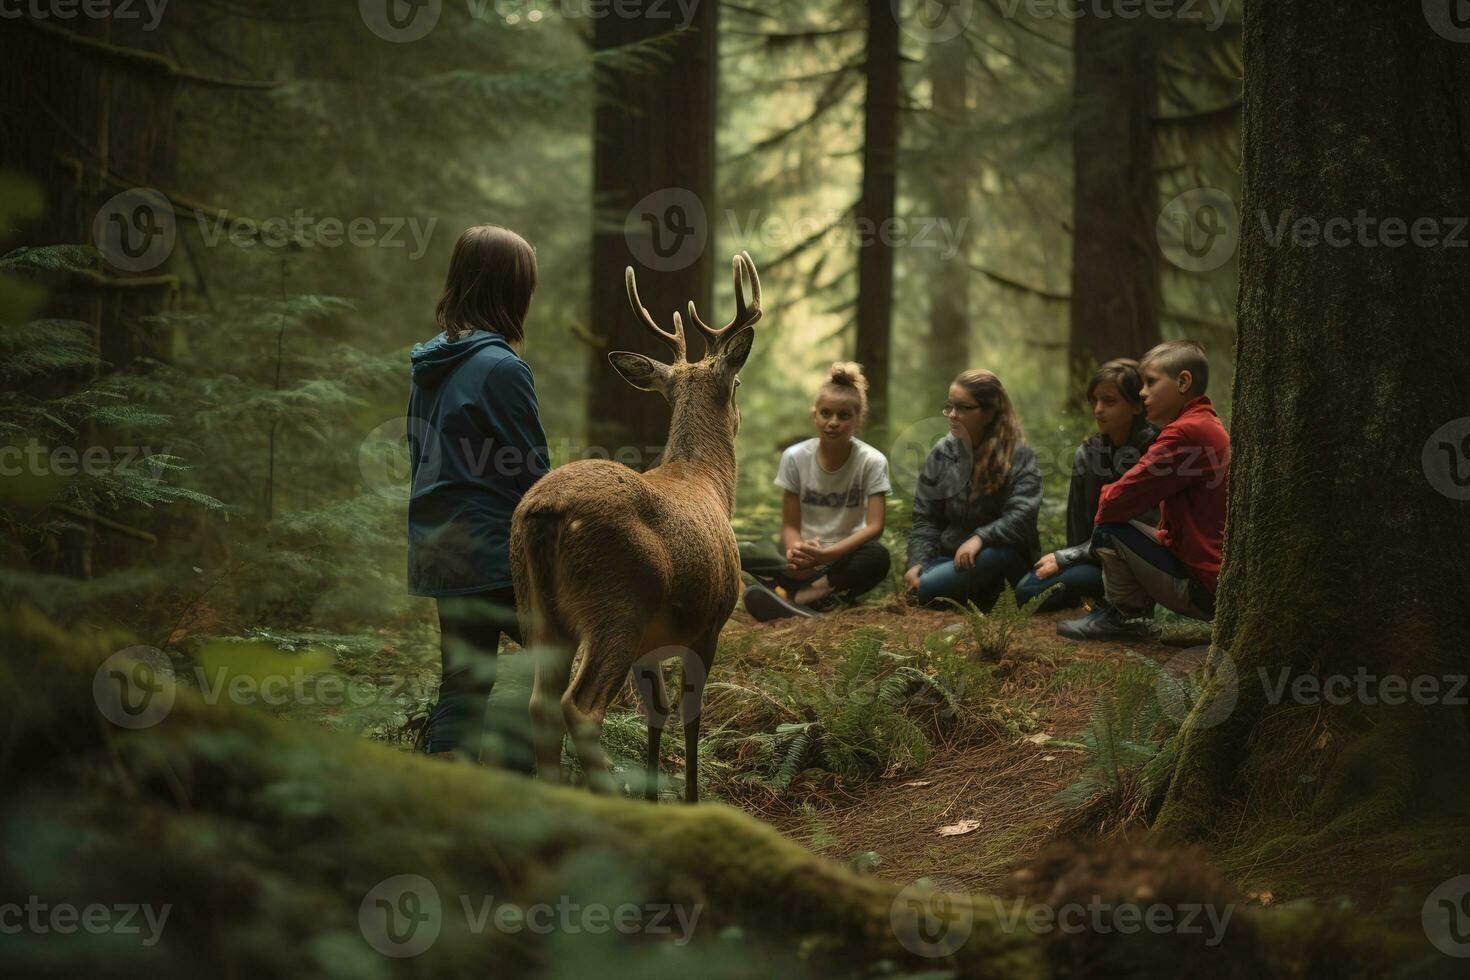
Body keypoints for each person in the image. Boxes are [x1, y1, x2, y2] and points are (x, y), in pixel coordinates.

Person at [406, 225, 549, 766]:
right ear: (510, 292)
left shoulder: (431, 365)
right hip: (496, 552)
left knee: (462, 686)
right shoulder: (503, 369)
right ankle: (533, 799)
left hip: (442, 549)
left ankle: (448, 800)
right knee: (560, 667)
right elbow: (535, 476)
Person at [1057, 340, 1230, 641]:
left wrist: (1109, 495)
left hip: (1205, 586)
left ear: (1183, 382)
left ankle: (1123, 617)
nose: (1142, 392)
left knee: (1110, 529)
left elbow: (1113, 503)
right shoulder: (1204, 423)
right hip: (1214, 579)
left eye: (1150, 382)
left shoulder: (1184, 432)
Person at [741, 362, 892, 621]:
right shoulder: (795, 457)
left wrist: (826, 555)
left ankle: (798, 599)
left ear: (858, 418)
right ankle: (807, 597)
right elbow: (790, 524)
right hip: (798, 560)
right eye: (826, 413)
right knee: (739, 548)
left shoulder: (872, 461)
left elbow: (875, 527)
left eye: (843, 416)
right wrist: (797, 552)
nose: (833, 422)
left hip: (840, 561)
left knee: (877, 556)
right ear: (815, 416)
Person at [1015, 359, 1158, 612]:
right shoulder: (1088, 452)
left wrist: (1066, 558)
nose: (1098, 410)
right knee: (1027, 590)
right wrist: (1070, 560)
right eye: (1095, 401)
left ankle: (1120, 603)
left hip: (1143, 567)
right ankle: (1094, 595)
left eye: (1109, 401)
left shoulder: (1156, 451)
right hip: (1094, 558)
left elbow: (1147, 529)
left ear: (1137, 405)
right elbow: (1078, 527)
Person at [903, 369, 1042, 612]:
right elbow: (926, 519)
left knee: (931, 586)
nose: (953, 415)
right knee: (923, 578)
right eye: (950, 407)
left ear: (990, 412)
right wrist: (917, 562)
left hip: (997, 556)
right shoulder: (942, 452)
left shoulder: (1018, 453)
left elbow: (1023, 516)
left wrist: (981, 538)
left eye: (965, 408)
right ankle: (941, 588)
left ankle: (937, 590)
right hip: (950, 558)